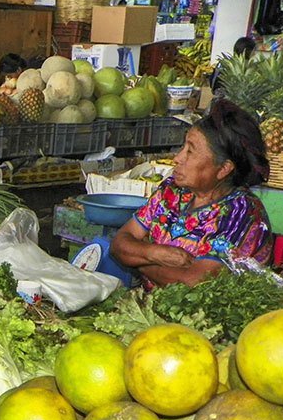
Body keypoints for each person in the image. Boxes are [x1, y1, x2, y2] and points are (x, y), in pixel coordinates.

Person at [110, 98, 273, 289]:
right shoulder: (173, 191)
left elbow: (193, 283)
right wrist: (156, 253)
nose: (177, 158)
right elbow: (120, 243)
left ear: (223, 169)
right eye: (183, 147)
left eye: (190, 151)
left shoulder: (240, 213)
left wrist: (139, 259)